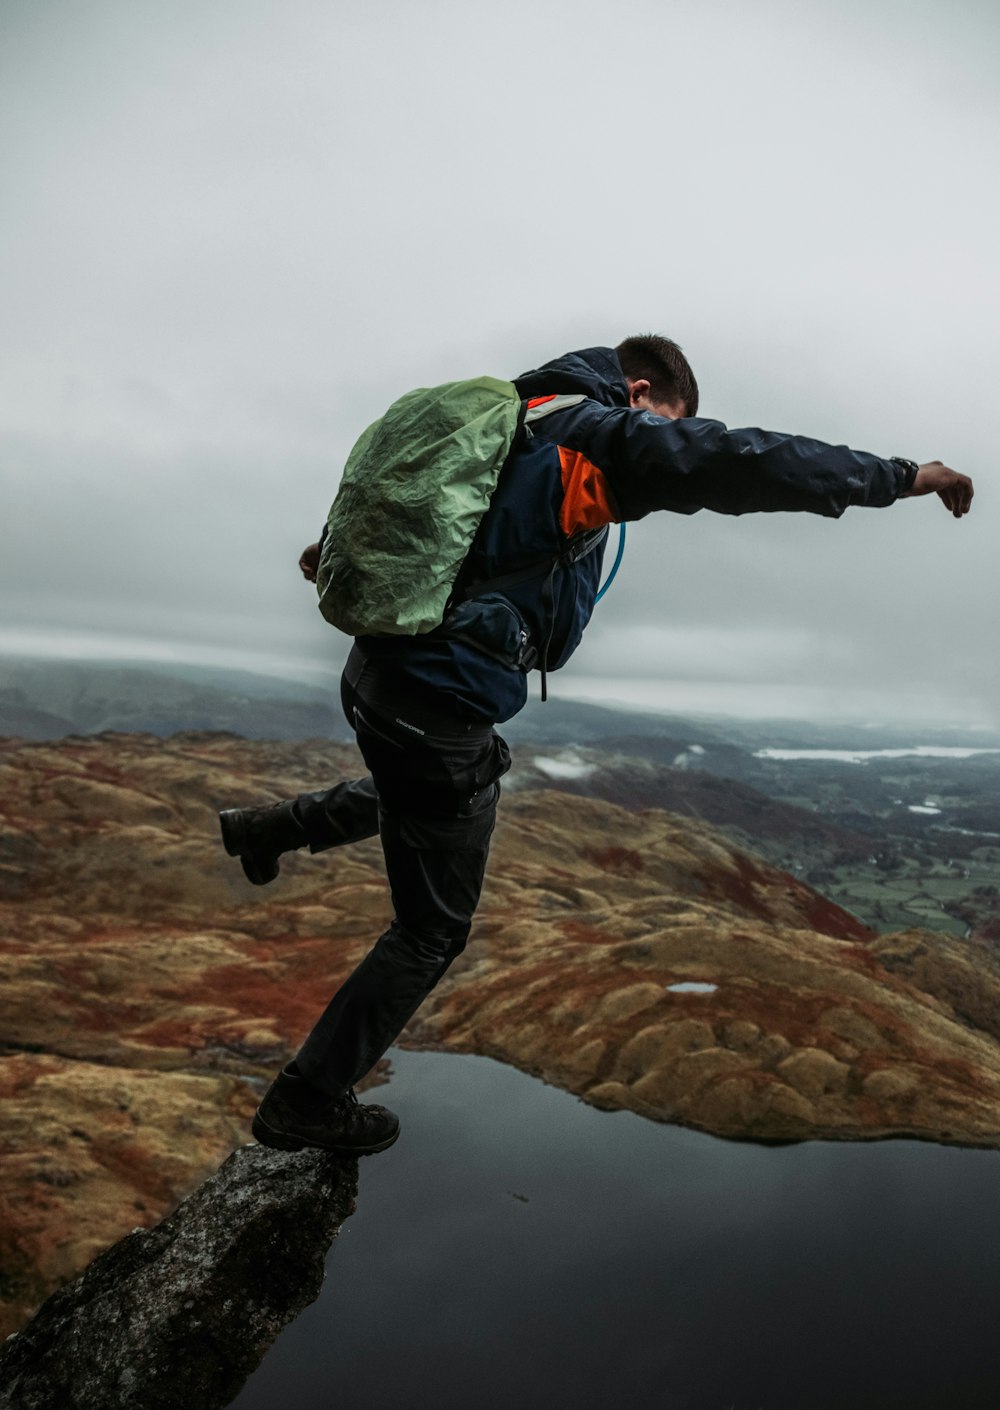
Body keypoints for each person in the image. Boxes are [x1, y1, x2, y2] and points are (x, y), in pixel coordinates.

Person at [219, 335, 974, 1157]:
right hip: (438, 701)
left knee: (449, 783)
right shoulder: (597, 434)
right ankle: (306, 1099)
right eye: (672, 420)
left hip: (377, 678)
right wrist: (903, 477)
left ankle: (266, 831)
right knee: (431, 930)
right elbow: (746, 462)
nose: (672, 440)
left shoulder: (509, 418)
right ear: (641, 389)